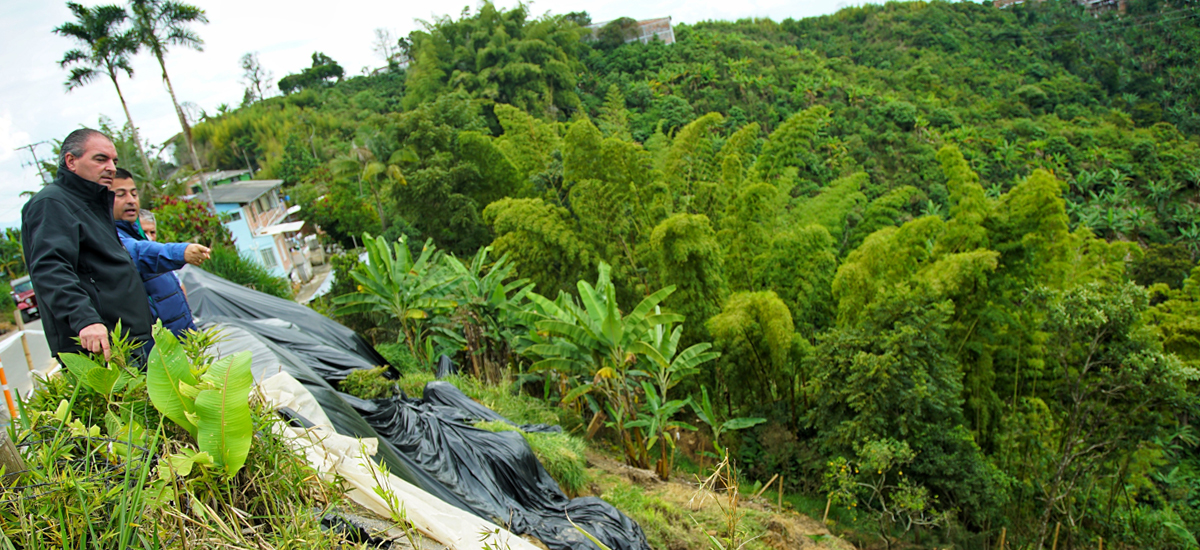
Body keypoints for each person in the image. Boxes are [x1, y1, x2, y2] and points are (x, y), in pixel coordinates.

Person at [21, 128, 152, 361]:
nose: (111, 168)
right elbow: (51, 268)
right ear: (71, 161)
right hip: (98, 344)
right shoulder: (52, 203)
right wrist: (85, 319)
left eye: (114, 161)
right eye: (100, 159)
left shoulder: (92, 203)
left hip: (126, 338)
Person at [110, 169, 210, 337]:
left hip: (181, 338)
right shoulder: (111, 238)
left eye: (134, 194)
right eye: (120, 195)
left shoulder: (136, 232)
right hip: (160, 346)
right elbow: (137, 252)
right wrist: (180, 252)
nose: (131, 200)